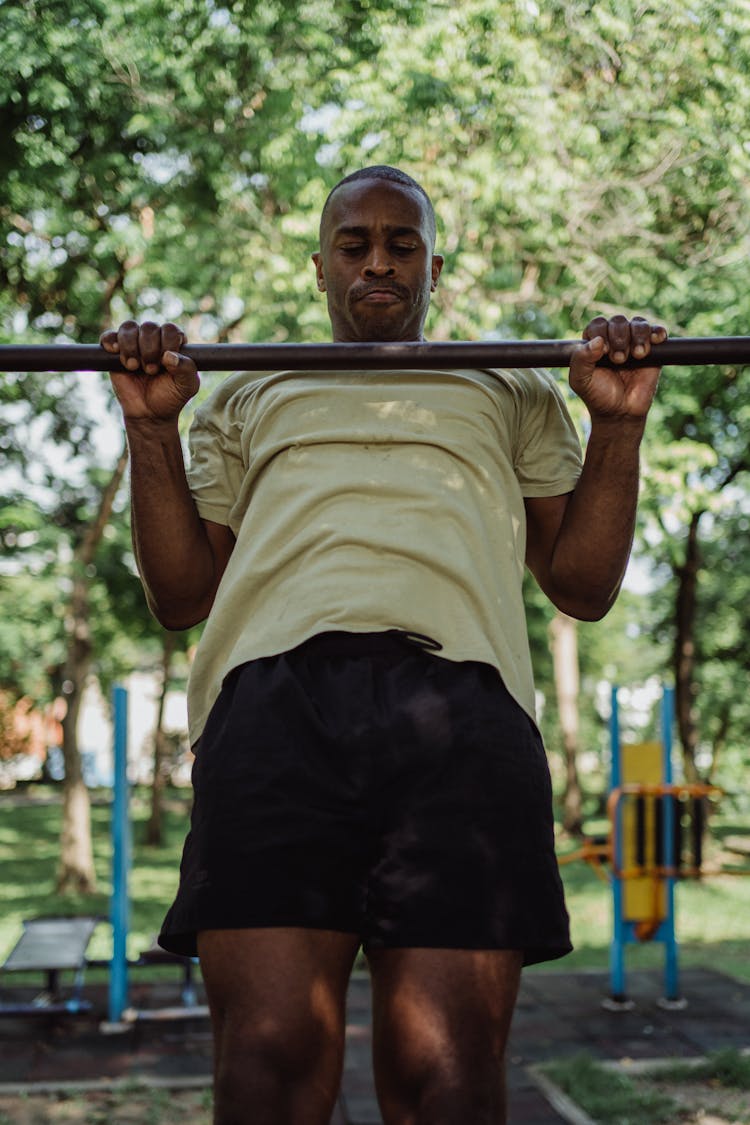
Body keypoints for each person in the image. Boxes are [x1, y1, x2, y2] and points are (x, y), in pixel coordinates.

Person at [103, 164, 665, 1125]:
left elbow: (584, 584)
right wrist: (151, 430)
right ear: (319, 266)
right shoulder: (248, 389)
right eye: (355, 244)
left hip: (461, 715)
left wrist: (618, 422)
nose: (378, 262)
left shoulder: (506, 380)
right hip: (273, 713)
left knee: (445, 1078)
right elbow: (181, 595)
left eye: (402, 245)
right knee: (266, 1068)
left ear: (434, 268)